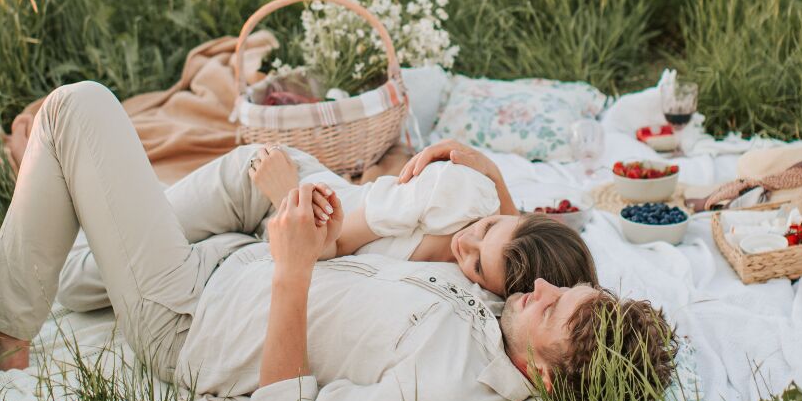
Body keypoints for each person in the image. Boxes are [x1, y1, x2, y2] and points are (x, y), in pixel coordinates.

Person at [0, 81, 675, 401]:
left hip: (188, 318)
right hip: (232, 256)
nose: (540, 291)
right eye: (564, 288)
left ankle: (7, 334)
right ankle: (75, 258)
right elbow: (522, 241)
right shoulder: (502, 321)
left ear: (546, 378)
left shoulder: (445, 394)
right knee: (84, 263)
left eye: (553, 309)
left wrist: (293, 271)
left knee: (76, 109)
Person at [243, 141, 597, 297]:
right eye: (487, 227)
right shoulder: (449, 195)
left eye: (477, 265)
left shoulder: (491, 291)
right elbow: (332, 244)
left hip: (282, 232)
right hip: (281, 187)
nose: (464, 243)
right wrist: (286, 191)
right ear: (515, 214)